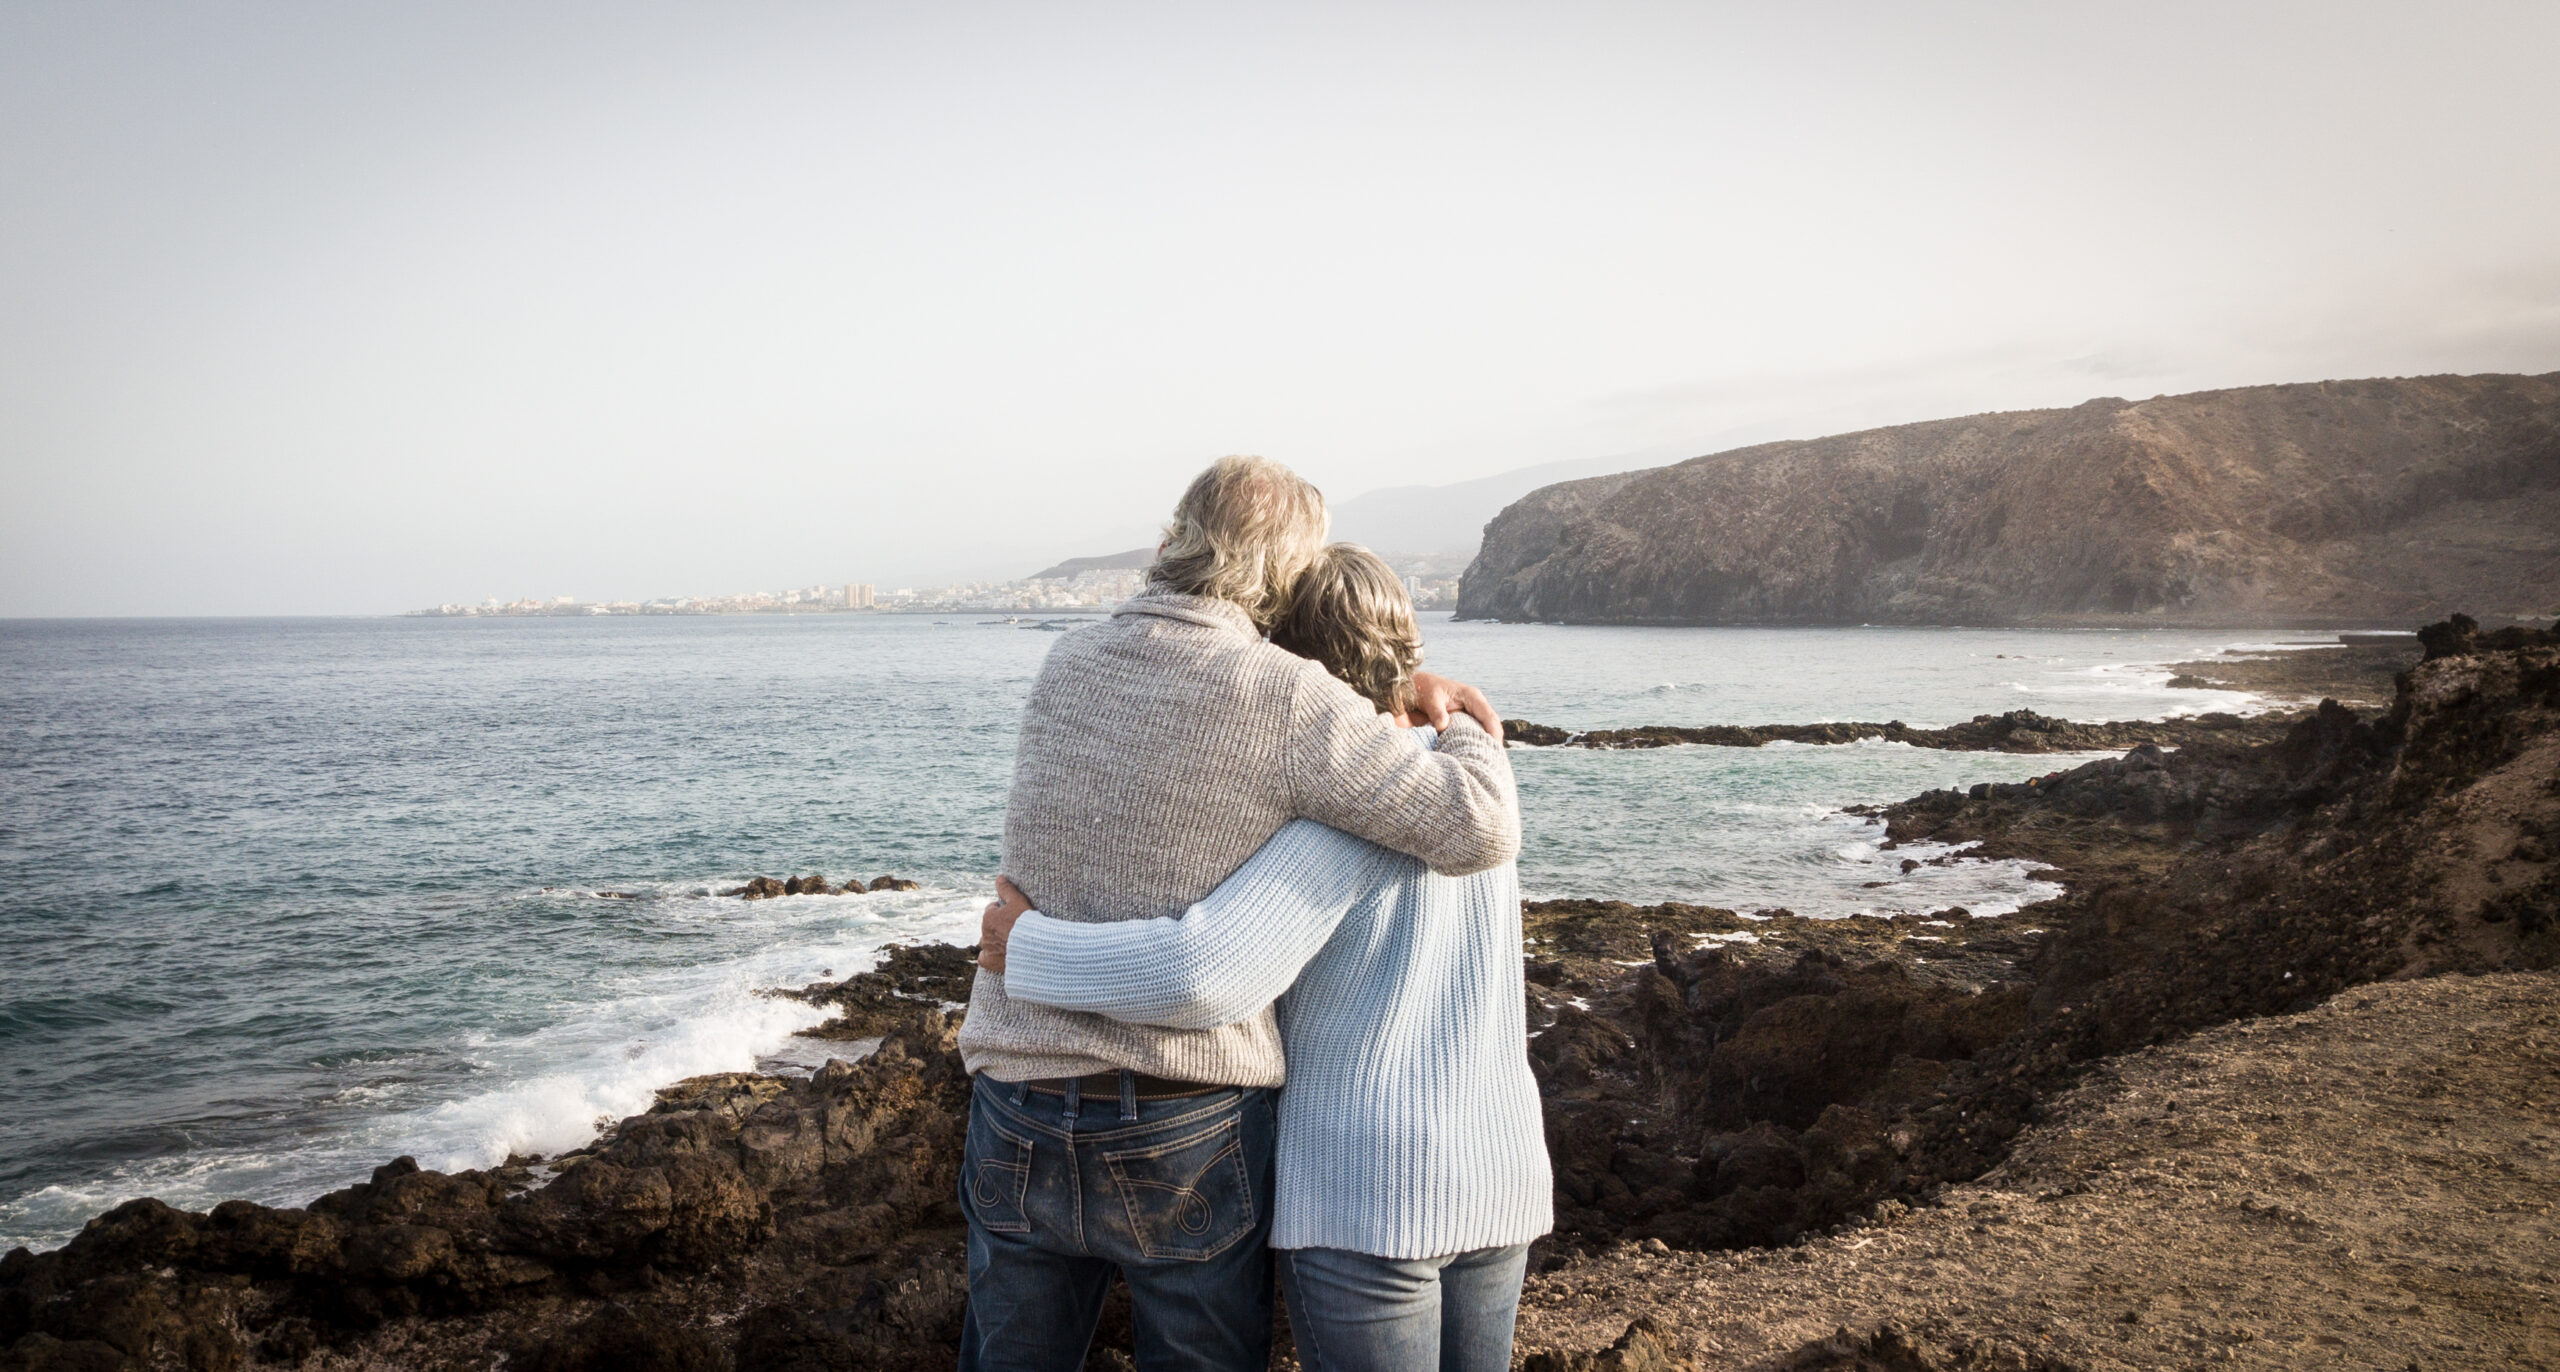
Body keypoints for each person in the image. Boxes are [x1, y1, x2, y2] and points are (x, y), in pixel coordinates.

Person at [955, 458, 1519, 1372]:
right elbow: (1479, 825)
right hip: (1182, 1113)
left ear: (1172, 537)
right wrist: (1436, 707)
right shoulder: (1289, 697)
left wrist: (1026, 952)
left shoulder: (1065, 660)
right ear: (1286, 577)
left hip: (1016, 1093)